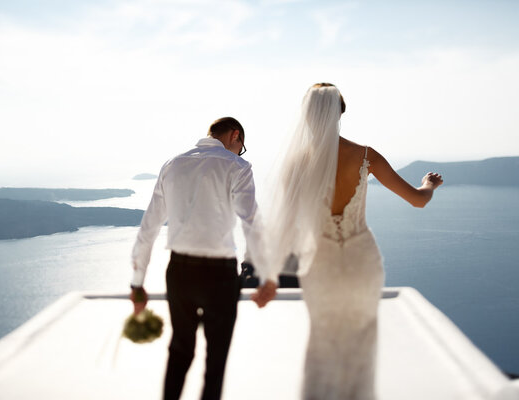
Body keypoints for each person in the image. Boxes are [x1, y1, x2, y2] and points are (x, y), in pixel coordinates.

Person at [265, 83, 443, 400]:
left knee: (322, 341)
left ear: (306, 118)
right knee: (361, 344)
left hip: (320, 264)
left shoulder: (294, 165)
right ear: (340, 113)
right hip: (362, 261)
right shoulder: (365, 156)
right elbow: (417, 201)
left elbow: (283, 228)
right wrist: (428, 185)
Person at [130, 117, 278, 400]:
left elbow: (148, 228)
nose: (240, 153)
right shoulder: (237, 166)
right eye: (241, 146)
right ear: (235, 135)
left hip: (179, 271)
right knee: (216, 359)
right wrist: (267, 276)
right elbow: (251, 223)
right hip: (219, 274)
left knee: (180, 350)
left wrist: (137, 284)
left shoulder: (172, 165)